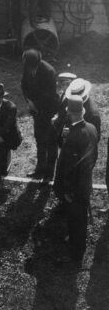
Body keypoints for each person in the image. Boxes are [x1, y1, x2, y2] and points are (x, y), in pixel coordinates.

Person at [53, 79, 98, 246]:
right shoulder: (91, 128)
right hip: (85, 183)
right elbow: (92, 156)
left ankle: (76, 249)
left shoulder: (72, 136)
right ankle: (78, 240)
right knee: (80, 217)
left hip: (74, 186)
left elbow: (70, 166)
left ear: (70, 113)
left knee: (76, 218)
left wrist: (68, 190)